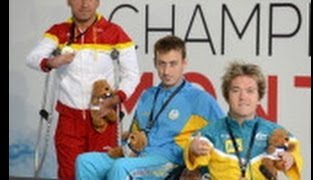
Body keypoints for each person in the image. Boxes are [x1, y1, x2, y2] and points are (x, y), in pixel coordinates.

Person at [75, 35, 224, 179]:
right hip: (138, 155)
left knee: (121, 167)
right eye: (162, 63)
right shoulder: (148, 95)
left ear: (184, 63)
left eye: (173, 64)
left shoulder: (199, 99)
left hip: (170, 161)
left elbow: (224, 133)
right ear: (155, 63)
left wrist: (201, 169)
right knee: (85, 162)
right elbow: (135, 133)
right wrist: (126, 146)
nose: (166, 71)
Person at [26, 0, 140, 179]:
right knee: (69, 173)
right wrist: (50, 62)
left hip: (103, 119)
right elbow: (32, 58)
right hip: (69, 120)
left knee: (101, 172)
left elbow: (132, 74)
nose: (84, 4)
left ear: (98, 2)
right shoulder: (59, 31)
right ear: (69, 2)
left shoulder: (114, 32)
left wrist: (115, 99)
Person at [183, 61, 303, 179]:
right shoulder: (211, 132)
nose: (243, 97)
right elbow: (193, 154)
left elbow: (293, 148)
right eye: (236, 90)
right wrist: (193, 150)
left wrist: (290, 158)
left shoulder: (274, 132)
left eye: (250, 91)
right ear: (227, 96)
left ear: (259, 97)